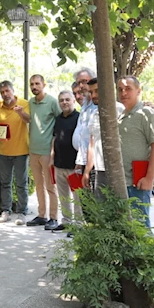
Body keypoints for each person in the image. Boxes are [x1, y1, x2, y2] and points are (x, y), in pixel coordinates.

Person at [117, 76, 154, 227]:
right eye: (120, 89)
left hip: (138, 182)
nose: (123, 93)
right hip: (121, 182)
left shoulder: (147, 113)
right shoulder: (120, 115)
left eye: (128, 89)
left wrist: (149, 178)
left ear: (138, 91)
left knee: (140, 228)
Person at [0, 81, 30, 223]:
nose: (5, 94)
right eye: (2, 92)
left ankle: (22, 212)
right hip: (3, 151)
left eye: (7, 91)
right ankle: (6, 210)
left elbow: (29, 120)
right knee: (5, 183)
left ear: (13, 91)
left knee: (21, 184)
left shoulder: (24, 103)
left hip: (21, 151)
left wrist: (21, 112)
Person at [25, 75, 62, 229]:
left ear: (44, 85)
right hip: (33, 151)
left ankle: (53, 218)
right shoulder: (30, 103)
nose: (34, 87)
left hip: (47, 152)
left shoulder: (52, 102)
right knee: (39, 186)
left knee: (50, 186)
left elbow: (61, 121)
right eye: (32, 84)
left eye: (37, 84)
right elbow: (29, 120)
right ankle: (42, 215)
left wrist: (55, 148)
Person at [82, 77, 125, 195]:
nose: (93, 95)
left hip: (117, 170)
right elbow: (92, 144)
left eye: (97, 91)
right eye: (91, 92)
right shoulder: (94, 114)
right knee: (100, 204)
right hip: (99, 169)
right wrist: (87, 171)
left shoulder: (120, 110)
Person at [50, 90, 80, 232]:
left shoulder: (79, 118)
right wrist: (52, 156)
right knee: (63, 196)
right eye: (61, 100)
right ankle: (66, 221)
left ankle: (78, 224)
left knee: (78, 197)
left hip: (74, 165)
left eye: (67, 99)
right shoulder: (58, 119)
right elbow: (55, 138)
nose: (64, 102)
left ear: (73, 101)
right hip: (59, 164)